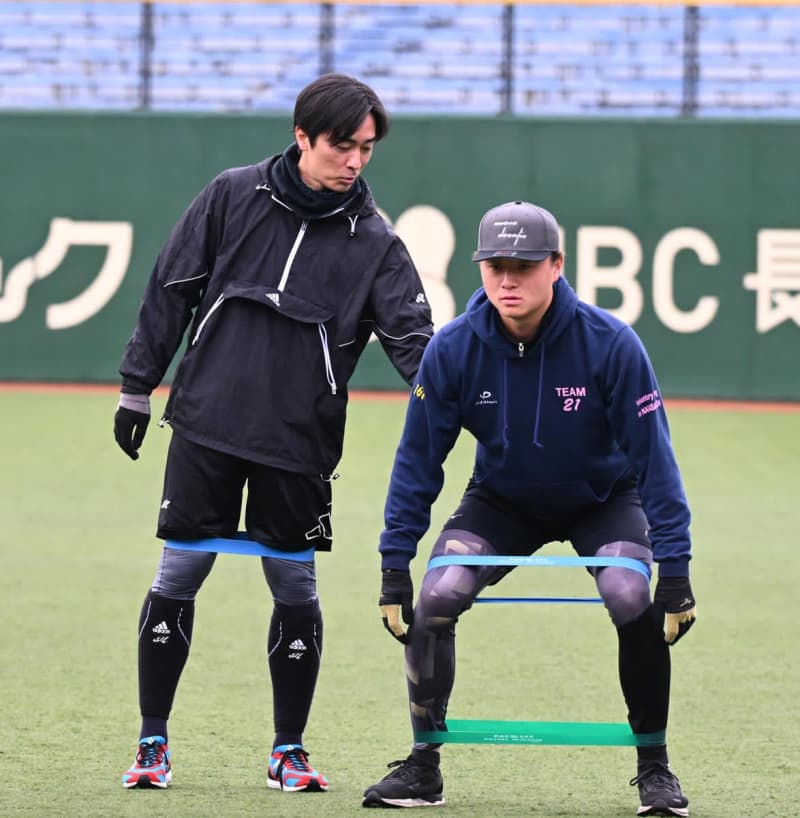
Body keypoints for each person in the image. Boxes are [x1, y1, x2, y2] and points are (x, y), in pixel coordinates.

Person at [113, 73, 433, 792]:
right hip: (208, 422)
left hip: (299, 439)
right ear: (301, 137)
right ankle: (152, 743)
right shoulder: (232, 195)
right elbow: (173, 285)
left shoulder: (376, 243)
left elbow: (416, 342)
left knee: (294, 584)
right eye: (341, 145)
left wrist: (454, 401)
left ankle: (288, 751)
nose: (354, 161)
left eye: (367, 149)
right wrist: (138, 388)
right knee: (181, 573)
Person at [362, 200, 697, 817]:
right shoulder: (454, 348)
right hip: (501, 502)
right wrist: (393, 565)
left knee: (631, 596)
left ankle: (654, 766)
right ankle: (423, 767)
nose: (507, 280)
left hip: (604, 501)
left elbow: (655, 462)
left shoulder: (612, 344)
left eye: (524, 265)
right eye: (495, 266)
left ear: (557, 265)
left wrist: (674, 573)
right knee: (437, 598)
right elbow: (417, 461)